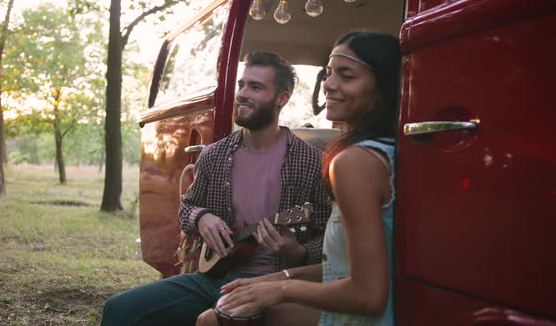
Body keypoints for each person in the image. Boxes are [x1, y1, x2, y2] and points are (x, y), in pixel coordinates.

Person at [100, 50, 332, 326]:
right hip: (213, 276)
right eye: (241, 85)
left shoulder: (311, 162)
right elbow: (187, 206)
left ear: (282, 99)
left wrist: (299, 252)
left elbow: (332, 236)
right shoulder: (216, 155)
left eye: (255, 87)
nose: (242, 94)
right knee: (119, 309)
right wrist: (201, 218)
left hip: (272, 285)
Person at [196, 31, 401, 326]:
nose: (329, 85)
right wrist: (279, 278)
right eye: (328, 73)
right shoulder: (386, 151)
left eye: (347, 76)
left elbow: (368, 295)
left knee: (211, 321)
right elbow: (342, 267)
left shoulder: (353, 162)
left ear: (382, 89)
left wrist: (283, 286)